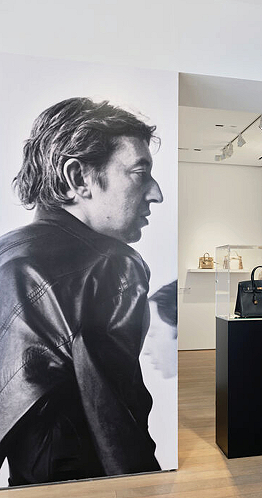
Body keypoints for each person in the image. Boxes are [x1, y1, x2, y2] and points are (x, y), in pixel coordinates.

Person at [0, 97, 164, 485]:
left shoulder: (7, 253)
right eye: (140, 173)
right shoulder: (111, 266)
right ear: (78, 178)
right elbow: (118, 433)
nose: (156, 193)